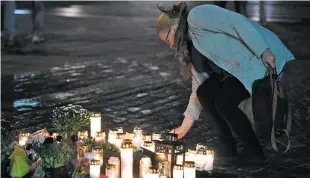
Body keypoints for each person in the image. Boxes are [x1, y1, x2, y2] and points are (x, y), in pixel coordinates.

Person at [156, 2, 295, 163]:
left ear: (173, 30)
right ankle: (227, 148)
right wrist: (184, 126)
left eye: (168, 41)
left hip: (259, 60)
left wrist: (263, 51)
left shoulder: (197, 16)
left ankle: (254, 151)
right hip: (236, 70)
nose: (171, 45)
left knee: (224, 101)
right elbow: (198, 86)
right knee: (205, 93)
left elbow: (237, 22)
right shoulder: (191, 42)